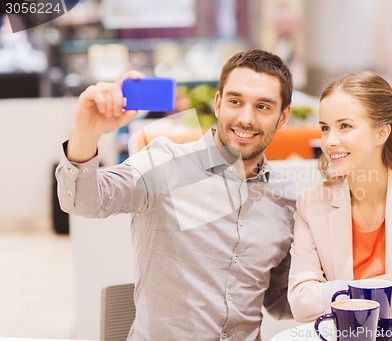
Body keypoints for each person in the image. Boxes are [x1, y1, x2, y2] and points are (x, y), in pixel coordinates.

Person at [56, 49, 297, 340]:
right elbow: (82, 201)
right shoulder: (165, 164)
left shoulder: (285, 198)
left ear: (283, 117)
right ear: (219, 103)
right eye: (236, 101)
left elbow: (281, 302)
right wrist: (86, 133)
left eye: (263, 107)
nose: (246, 118)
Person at [287, 71, 392, 325]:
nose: (330, 140)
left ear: (381, 133)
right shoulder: (312, 204)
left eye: (345, 126)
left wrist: (340, 300)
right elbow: (301, 303)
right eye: (325, 128)